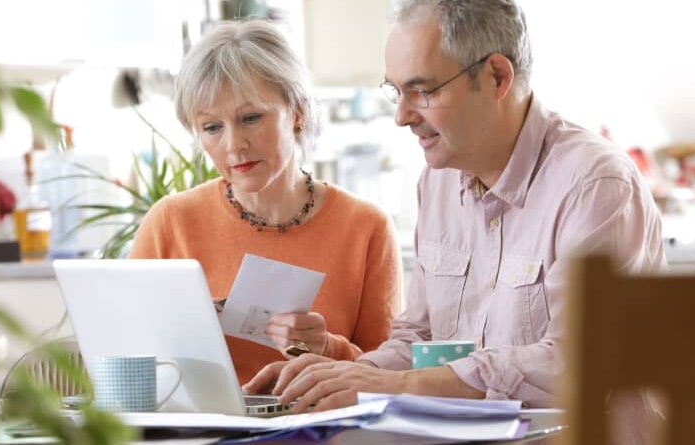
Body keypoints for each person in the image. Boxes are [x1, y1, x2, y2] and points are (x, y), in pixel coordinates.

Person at [244, 0, 665, 429]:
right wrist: (342, 376)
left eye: (422, 91)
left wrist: (395, 386)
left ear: (497, 77)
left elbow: (581, 361)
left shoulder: (594, 184)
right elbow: (420, 338)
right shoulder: (438, 182)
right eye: (396, 91)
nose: (402, 116)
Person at [129, 20, 401, 384]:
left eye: (251, 118)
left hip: (324, 419)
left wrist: (327, 348)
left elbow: (388, 377)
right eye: (212, 127)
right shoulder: (171, 221)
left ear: (297, 112)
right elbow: (128, 354)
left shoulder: (365, 227)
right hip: (204, 419)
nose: (234, 145)